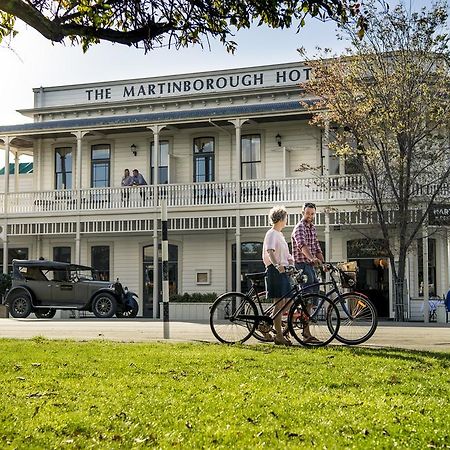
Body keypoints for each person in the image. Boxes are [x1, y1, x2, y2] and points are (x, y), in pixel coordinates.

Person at [291, 202, 324, 343]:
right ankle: (306, 332)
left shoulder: (312, 228)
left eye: (312, 214)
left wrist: (323, 263)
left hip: (310, 266)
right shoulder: (300, 228)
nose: (310, 216)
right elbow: (302, 246)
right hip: (301, 266)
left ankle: (305, 328)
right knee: (307, 299)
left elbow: (317, 248)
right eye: (307, 213)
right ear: (302, 213)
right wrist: (312, 259)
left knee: (312, 297)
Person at [262, 205, 295, 346]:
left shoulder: (280, 235)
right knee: (279, 303)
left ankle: (265, 325)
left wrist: (291, 261)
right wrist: (277, 266)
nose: (287, 220)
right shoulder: (272, 233)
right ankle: (279, 336)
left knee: (289, 302)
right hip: (275, 270)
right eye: (286, 217)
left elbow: (285, 254)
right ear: (281, 218)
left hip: (283, 270)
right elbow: (270, 251)